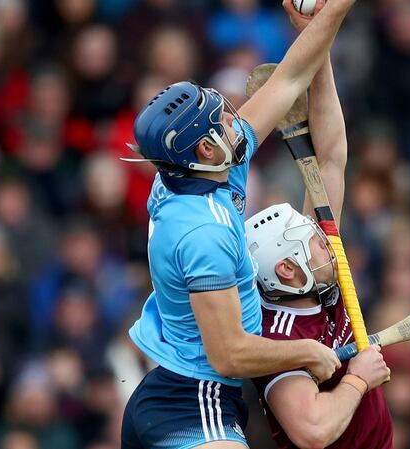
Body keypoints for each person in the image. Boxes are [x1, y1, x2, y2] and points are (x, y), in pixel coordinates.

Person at [121, 1, 356, 448]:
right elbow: (228, 354)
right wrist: (310, 352)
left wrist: (328, 17)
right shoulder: (202, 234)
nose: (237, 120)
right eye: (223, 120)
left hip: (179, 391)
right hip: (193, 401)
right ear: (206, 150)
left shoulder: (205, 169)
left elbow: (288, 78)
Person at [243, 5, 392, 449]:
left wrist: (318, 44)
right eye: (313, 243)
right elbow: (311, 430)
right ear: (288, 270)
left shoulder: (324, 278)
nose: (327, 243)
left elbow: (329, 157)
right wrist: (357, 382)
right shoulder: (279, 338)